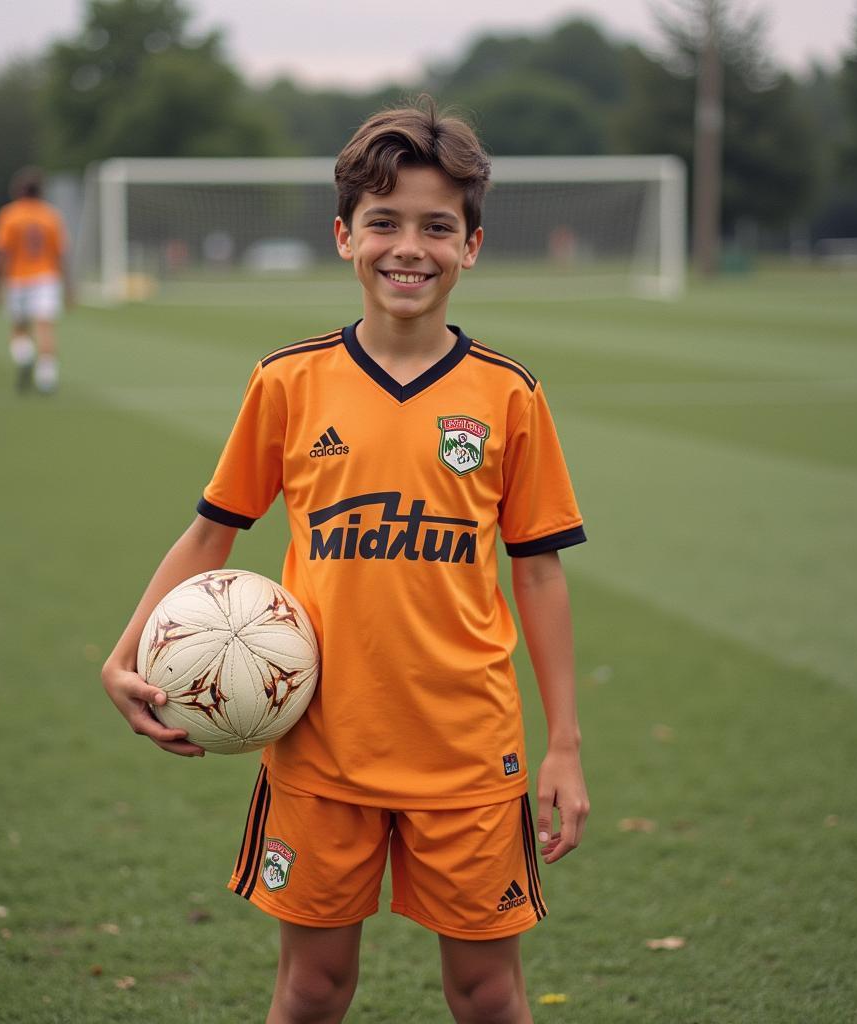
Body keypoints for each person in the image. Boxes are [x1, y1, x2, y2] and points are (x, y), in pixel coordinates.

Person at [102, 98, 589, 1024]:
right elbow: (213, 530)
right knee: (313, 989)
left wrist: (563, 744)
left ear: (472, 246)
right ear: (343, 237)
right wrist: (124, 654)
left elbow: (538, 570)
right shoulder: (289, 383)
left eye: (437, 226)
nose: (410, 247)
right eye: (385, 223)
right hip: (322, 747)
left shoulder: (509, 396)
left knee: (488, 993)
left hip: (466, 752)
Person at [0, 166, 70, 393]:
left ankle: (24, 356)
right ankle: (47, 377)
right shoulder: (50, 216)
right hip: (46, 277)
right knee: (45, 327)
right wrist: (69, 287)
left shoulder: (9, 215)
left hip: (17, 278)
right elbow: (60, 254)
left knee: (19, 328)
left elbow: (2, 253)